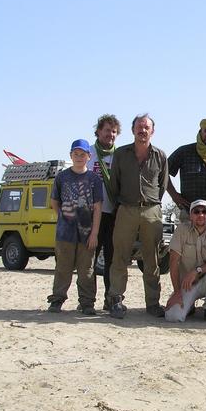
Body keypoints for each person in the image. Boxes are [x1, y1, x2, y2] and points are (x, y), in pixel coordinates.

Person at [107, 114, 169, 319]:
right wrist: (123, 204)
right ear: (133, 130)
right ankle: (116, 300)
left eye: (147, 127)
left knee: (152, 259)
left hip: (152, 211)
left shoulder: (160, 155)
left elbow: (163, 184)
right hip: (126, 209)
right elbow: (113, 184)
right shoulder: (121, 154)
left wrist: (152, 204)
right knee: (120, 257)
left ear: (153, 131)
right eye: (139, 127)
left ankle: (152, 303)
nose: (143, 130)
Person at [47, 139, 103, 315]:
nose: (79, 157)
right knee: (63, 268)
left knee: (86, 270)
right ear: (70, 155)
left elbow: (98, 208)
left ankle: (87, 303)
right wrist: (65, 218)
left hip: (87, 234)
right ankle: (57, 299)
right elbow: (54, 202)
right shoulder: (62, 177)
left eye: (82, 154)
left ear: (89, 156)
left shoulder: (94, 179)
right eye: (75, 154)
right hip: (65, 234)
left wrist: (94, 233)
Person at [165, 199, 206, 324]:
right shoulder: (181, 230)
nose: (201, 215)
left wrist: (196, 271)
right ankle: (189, 306)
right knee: (173, 317)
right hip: (186, 285)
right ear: (190, 216)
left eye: (204, 212)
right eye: (196, 212)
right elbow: (173, 262)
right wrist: (177, 293)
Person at [87, 114, 121, 310]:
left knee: (111, 260)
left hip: (113, 214)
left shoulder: (121, 155)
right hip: (91, 216)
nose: (110, 134)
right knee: (89, 261)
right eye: (107, 130)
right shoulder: (88, 153)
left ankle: (110, 300)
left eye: (114, 131)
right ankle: (87, 300)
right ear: (98, 131)